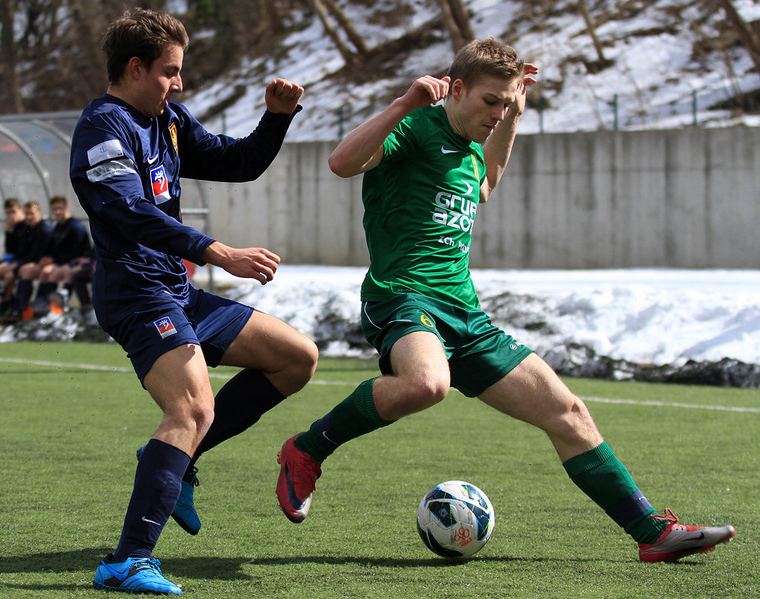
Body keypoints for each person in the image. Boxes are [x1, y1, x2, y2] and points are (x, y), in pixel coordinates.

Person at [275, 38, 736, 563]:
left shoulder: (475, 147)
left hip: (465, 314)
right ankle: (307, 449)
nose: (497, 113)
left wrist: (515, 111)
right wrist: (404, 102)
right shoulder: (417, 126)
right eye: (490, 101)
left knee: (569, 413)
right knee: (427, 384)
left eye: (507, 102)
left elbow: (487, 180)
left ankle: (650, 532)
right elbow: (340, 162)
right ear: (457, 88)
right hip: (402, 298)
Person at [69, 8, 318, 595]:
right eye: (170, 72)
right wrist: (217, 251)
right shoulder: (103, 127)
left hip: (176, 292)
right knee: (192, 410)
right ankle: (127, 561)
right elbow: (131, 212)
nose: (179, 83)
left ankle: (176, 464)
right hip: (136, 294)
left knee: (296, 358)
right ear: (135, 68)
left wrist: (277, 118)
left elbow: (240, 162)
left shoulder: (169, 121)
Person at [13, 195, 92, 316]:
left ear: (67, 207)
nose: (57, 212)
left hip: (75, 263)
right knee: (40, 272)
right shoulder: (58, 227)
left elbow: (77, 253)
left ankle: (58, 310)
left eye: (60, 208)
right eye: (54, 209)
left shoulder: (75, 227)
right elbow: (55, 250)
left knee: (55, 273)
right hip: (60, 262)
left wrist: (53, 260)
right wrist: (48, 259)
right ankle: (34, 309)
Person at [0, 201, 53, 324]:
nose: (29, 217)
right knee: (6, 273)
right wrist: (9, 231)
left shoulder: (44, 230)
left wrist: (20, 265)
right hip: (27, 262)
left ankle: (24, 309)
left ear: (39, 213)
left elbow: (38, 255)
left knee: (22, 272)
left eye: (32, 214)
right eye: (26, 214)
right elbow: (14, 250)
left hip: (42, 263)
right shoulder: (27, 229)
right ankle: (13, 308)